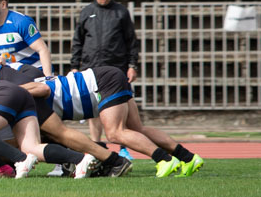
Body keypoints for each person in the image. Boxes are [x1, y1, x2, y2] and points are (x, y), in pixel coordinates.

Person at [39, 65, 202, 177]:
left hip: (102, 81)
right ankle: (188, 158)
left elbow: (44, 89)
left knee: (115, 133)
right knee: (137, 129)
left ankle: (164, 160)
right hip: (107, 77)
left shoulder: (28, 93)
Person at [71, 0, 138, 148]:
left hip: (116, 68)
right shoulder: (86, 12)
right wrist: (74, 66)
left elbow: (131, 41)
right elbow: (78, 41)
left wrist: (132, 66)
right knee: (93, 107)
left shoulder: (121, 12)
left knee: (121, 106)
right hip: (91, 67)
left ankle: (124, 148)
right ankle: (97, 146)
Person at [0, 0, 53, 75]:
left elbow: (43, 50)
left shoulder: (21, 22)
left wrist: (48, 78)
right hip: (13, 75)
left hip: (35, 73)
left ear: (3, 4)